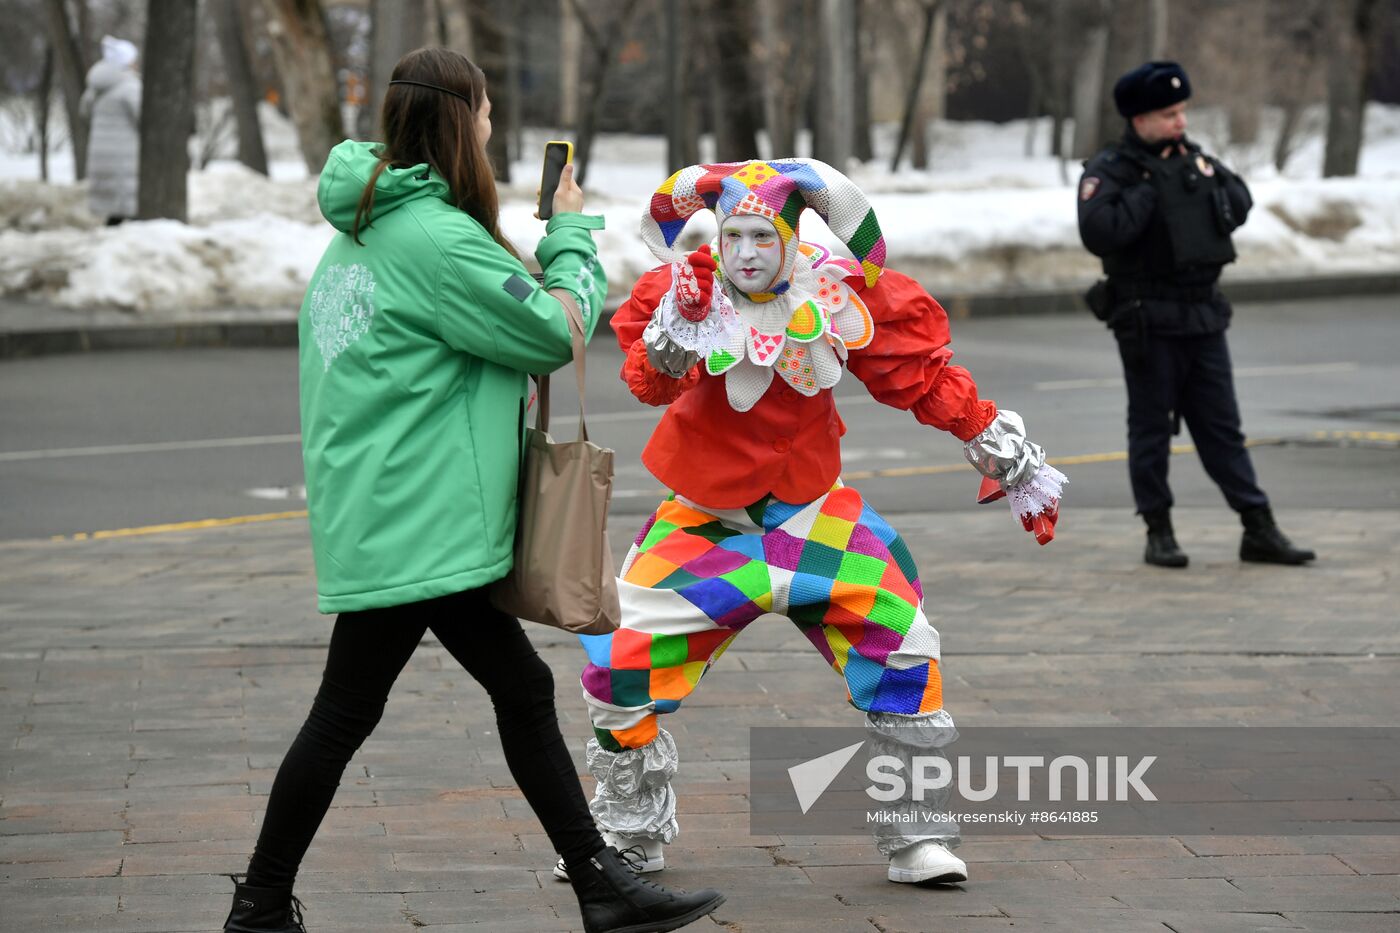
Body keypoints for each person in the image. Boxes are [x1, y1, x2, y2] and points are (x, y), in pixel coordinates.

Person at [221, 48, 723, 933]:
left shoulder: (370, 224)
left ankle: (597, 884)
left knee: (497, 692)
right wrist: (571, 236)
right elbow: (553, 331)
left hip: (392, 506)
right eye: (488, 111)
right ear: (465, 119)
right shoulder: (435, 238)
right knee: (354, 710)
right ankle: (261, 903)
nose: (494, 127)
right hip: (421, 518)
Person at [551, 158, 1066, 888]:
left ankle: (917, 834)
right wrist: (680, 325)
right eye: (734, 236)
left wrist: (1002, 451)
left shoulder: (833, 291)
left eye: (763, 236)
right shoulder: (688, 289)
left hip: (815, 515)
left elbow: (916, 375)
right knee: (618, 661)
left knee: (904, 642)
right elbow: (648, 382)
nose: (748, 253)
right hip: (706, 522)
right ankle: (630, 834)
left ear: (792, 238)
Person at [1077, 60, 1316, 569]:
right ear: (1139, 118)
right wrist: (1150, 192)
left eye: (1182, 112)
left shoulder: (1194, 158)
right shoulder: (1112, 170)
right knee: (1151, 429)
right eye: (1168, 114)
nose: (1180, 123)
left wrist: (1192, 176)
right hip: (1147, 319)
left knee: (1222, 428)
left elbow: (1240, 201)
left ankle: (1258, 527)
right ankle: (1158, 530)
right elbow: (1100, 232)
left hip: (1203, 316)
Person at [81, 36, 142, 225]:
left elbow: (84, 113)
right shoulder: (130, 86)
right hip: (124, 155)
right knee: (126, 206)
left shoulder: (95, 88)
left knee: (113, 209)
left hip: (100, 154)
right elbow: (143, 118)